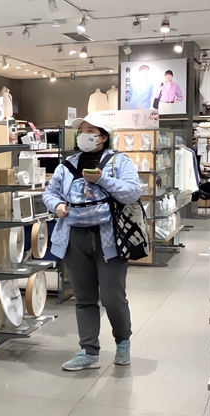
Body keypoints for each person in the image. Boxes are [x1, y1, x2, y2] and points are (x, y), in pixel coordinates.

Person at [42, 114, 141, 371]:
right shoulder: (67, 165)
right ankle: (88, 350)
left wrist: (102, 179)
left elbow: (133, 192)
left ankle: (122, 341)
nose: (83, 135)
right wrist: (57, 205)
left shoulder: (119, 161)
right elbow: (49, 193)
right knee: (84, 297)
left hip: (110, 238)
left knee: (112, 297)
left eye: (89, 130)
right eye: (81, 131)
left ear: (103, 137)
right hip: (73, 237)